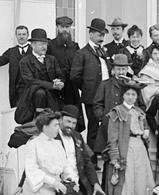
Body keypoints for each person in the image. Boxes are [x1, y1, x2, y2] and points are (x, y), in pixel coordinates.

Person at [56, 105, 136, 195]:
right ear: (60, 120)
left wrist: (95, 184)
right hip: (63, 182)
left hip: (81, 180)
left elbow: (87, 162)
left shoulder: (77, 137)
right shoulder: (53, 137)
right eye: (68, 122)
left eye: (74, 123)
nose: (71, 125)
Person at [105, 81, 155, 195]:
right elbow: (112, 138)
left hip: (139, 147)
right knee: (127, 182)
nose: (131, 97)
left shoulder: (139, 112)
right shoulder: (117, 112)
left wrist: (146, 134)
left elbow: (144, 129)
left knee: (141, 181)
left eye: (134, 94)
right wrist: (114, 157)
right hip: (125, 148)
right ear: (123, 96)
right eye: (128, 94)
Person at [71, 18, 110, 150]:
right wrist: (88, 87)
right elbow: (75, 77)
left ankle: (103, 157)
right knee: (93, 128)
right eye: (99, 35)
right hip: (92, 97)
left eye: (103, 35)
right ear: (91, 34)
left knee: (107, 126)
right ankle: (92, 163)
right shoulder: (81, 53)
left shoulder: (103, 52)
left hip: (107, 95)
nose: (102, 38)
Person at [13, 29, 66, 124]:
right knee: (40, 93)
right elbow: (31, 81)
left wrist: (60, 82)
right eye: (41, 44)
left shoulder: (52, 59)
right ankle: (39, 121)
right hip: (32, 98)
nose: (44, 47)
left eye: (45, 44)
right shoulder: (25, 61)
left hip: (53, 97)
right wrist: (51, 85)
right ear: (33, 45)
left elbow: (60, 75)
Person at [93, 53, 133, 155]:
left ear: (127, 70)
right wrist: (103, 116)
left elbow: (140, 106)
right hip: (109, 125)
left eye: (123, 69)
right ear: (113, 70)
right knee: (109, 154)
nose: (121, 72)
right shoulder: (105, 84)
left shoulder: (132, 86)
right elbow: (97, 104)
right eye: (118, 69)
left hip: (127, 125)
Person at [0, 25, 30, 107]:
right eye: (19, 34)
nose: (21, 37)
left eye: (23, 34)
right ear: (16, 36)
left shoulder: (34, 50)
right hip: (15, 90)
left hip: (31, 89)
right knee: (17, 115)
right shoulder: (11, 52)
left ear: (28, 35)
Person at [46, 16, 80, 107]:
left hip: (72, 87)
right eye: (62, 27)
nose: (65, 30)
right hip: (56, 86)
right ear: (57, 27)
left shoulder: (75, 46)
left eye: (67, 27)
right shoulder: (50, 45)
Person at [137, 42, 159, 107]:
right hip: (153, 103)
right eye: (155, 54)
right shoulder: (147, 70)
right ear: (151, 55)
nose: (158, 56)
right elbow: (146, 91)